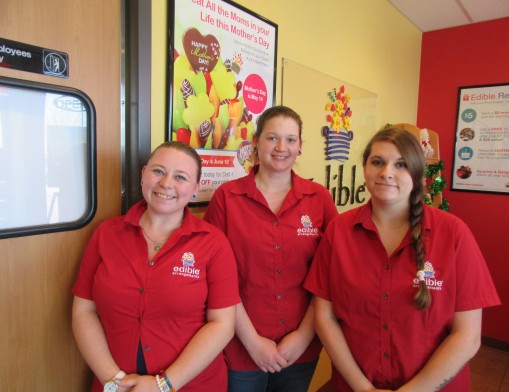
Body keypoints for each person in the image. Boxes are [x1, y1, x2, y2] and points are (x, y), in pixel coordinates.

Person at [304, 125, 501, 391]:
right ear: (365, 168)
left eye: (401, 164)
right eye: (378, 162)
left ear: (418, 175)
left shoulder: (454, 234)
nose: (387, 173)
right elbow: (324, 317)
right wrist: (363, 388)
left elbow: (467, 335)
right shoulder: (339, 232)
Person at [72, 141, 240, 392]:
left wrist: (163, 384)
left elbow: (222, 324)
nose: (166, 183)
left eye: (180, 177)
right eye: (158, 171)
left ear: (195, 188)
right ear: (143, 175)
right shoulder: (106, 234)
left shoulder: (213, 243)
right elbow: (83, 311)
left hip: (193, 385)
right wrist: (114, 381)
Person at [204, 105, 338, 392]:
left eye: (291, 140)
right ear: (256, 142)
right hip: (239, 346)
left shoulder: (320, 199)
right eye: (272, 138)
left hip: (300, 348)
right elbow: (216, 279)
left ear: (300, 146)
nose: (282, 147)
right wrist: (252, 342)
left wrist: (302, 337)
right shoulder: (227, 198)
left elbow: (329, 277)